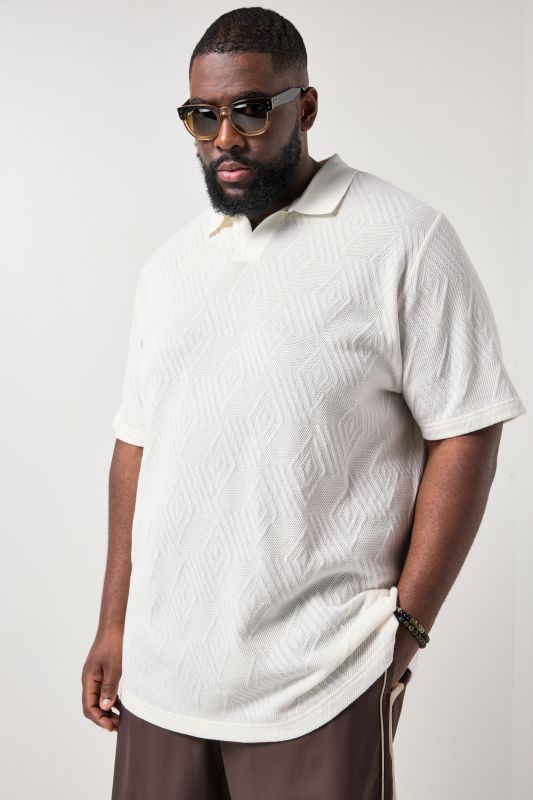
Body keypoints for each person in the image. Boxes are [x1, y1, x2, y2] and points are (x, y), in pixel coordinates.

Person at [81, 7, 527, 799]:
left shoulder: (404, 238)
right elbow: (136, 446)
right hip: (161, 674)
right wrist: (114, 622)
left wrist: (406, 629)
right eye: (202, 116)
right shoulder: (173, 266)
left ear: (306, 107)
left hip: (320, 677)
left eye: (250, 110)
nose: (224, 137)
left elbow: (467, 430)